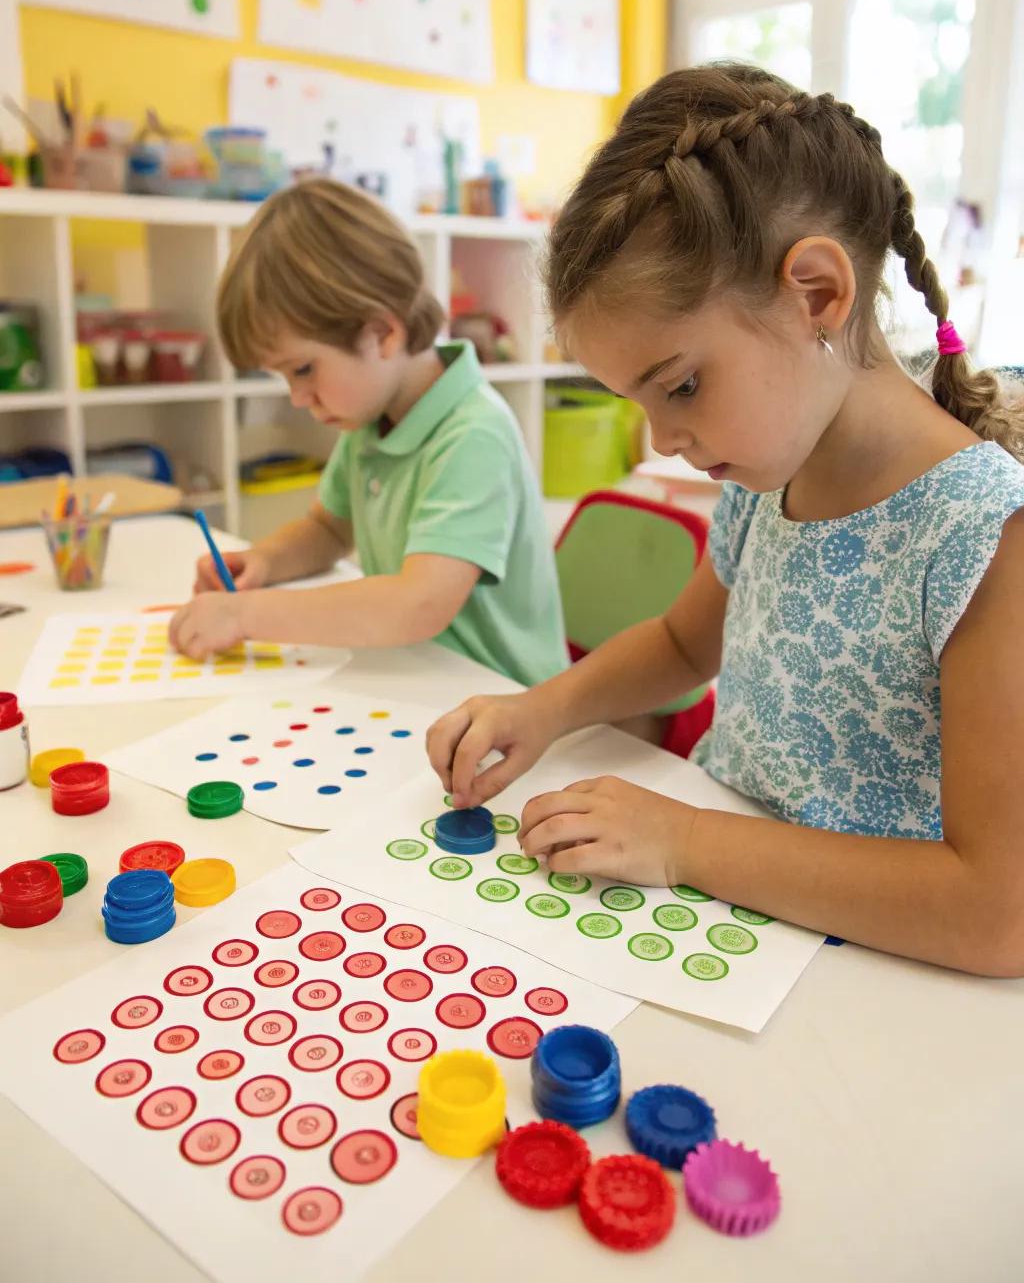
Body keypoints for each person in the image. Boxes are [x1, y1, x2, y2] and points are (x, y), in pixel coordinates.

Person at [426, 64, 1024, 975]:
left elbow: (998, 914)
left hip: (881, 974)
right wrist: (543, 709)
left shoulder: (985, 532)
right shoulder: (765, 475)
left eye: (682, 386)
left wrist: (686, 843)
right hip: (730, 934)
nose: (663, 440)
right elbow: (679, 645)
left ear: (817, 295)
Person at [170, 178, 567, 687]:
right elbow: (330, 528)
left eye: (304, 369)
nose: (296, 397)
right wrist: (265, 562)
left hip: (503, 705)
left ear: (382, 333)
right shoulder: (371, 420)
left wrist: (247, 614)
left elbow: (417, 603)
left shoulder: (473, 435)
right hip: (417, 682)